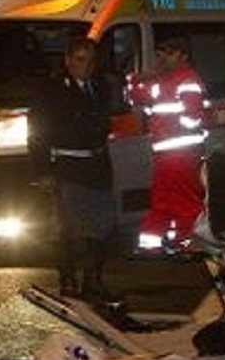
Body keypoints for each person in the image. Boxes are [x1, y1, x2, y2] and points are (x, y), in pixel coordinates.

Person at [29, 36, 119, 300]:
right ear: (68, 60)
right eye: (80, 60)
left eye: (91, 60)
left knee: (101, 225)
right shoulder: (51, 90)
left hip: (97, 164)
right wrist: (43, 171)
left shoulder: (101, 86)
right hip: (67, 166)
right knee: (67, 228)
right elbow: (37, 133)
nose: (86, 66)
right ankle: (67, 280)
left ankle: (93, 280)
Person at [128, 36, 208, 253]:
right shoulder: (164, 81)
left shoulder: (187, 81)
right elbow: (135, 96)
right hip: (167, 154)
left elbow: (193, 118)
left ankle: (189, 244)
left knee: (183, 201)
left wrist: (169, 125)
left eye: (170, 53)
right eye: (160, 54)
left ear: (184, 56)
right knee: (164, 201)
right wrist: (136, 78)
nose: (163, 58)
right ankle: (154, 246)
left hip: (181, 153)